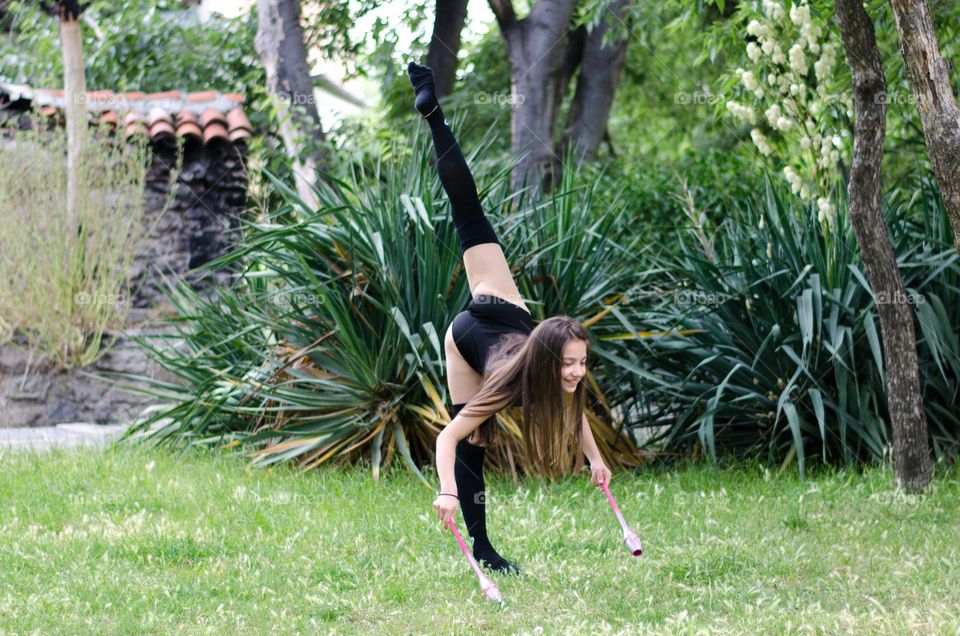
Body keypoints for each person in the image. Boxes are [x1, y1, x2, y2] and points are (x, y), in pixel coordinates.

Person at [406, 62, 613, 576]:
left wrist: (595, 459)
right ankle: (433, 114)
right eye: (569, 364)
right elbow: (446, 438)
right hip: (472, 332)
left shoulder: (559, 367)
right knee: (473, 444)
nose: (575, 373)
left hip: (502, 306)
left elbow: (573, 411)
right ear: (546, 355)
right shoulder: (503, 385)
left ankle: (433, 111)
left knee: (468, 213)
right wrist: (447, 491)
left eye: (580, 363)